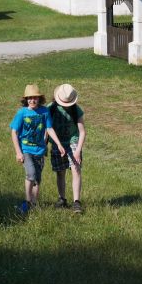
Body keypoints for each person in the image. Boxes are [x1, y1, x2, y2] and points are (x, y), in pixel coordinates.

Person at [10, 84, 66, 214]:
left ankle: (33, 203)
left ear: (39, 99)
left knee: (37, 179)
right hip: (26, 150)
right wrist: (18, 152)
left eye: (35, 98)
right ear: (26, 99)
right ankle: (27, 202)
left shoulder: (44, 111)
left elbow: (49, 128)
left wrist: (58, 143)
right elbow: (14, 132)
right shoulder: (22, 113)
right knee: (31, 174)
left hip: (40, 150)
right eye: (29, 98)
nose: (32, 100)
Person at [48, 84, 86, 213]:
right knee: (60, 171)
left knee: (76, 169)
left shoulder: (76, 110)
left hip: (73, 141)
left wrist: (78, 150)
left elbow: (82, 132)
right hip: (57, 143)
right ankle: (62, 199)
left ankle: (76, 202)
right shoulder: (51, 108)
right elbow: (47, 128)